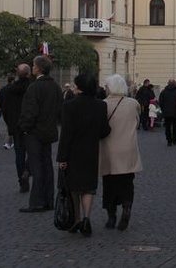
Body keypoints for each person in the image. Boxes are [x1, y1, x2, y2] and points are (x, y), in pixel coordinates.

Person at [57, 73, 111, 236]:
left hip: (73, 152)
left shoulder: (70, 106)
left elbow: (66, 134)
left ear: (79, 88)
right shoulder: (101, 105)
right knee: (88, 187)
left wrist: (62, 157)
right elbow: (104, 131)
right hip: (91, 151)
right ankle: (87, 217)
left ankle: (77, 219)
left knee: (72, 187)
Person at [100, 74, 143, 231]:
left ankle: (111, 216)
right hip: (128, 147)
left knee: (109, 183)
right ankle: (127, 206)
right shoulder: (133, 103)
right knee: (127, 182)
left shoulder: (103, 104)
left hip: (109, 148)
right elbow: (137, 121)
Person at [18, 55, 61, 213]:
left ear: (39, 68)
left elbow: (30, 111)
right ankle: (49, 200)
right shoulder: (55, 87)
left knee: (36, 168)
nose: (33, 67)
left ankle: (36, 202)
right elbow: (58, 110)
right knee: (47, 165)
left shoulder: (35, 87)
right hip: (49, 130)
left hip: (35, 132)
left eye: (34, 65)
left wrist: (24, 127)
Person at [0, 64, 31, 192]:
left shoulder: (7, 90)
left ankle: (22, 179)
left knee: (19, 154)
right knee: (35, 153)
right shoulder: (32, 88)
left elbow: (3, 106)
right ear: (28, 74)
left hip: (16, 126)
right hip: (30, 126)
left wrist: (10, 122)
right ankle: (28, 171)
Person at [158, 79, 176, 146]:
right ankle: (175, 138)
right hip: (175, 112)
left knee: (167, 126)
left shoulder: (164, 92)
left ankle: (169, 140)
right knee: (175, 126)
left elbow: (161, 102)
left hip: (166, 112)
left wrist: (163, 109)